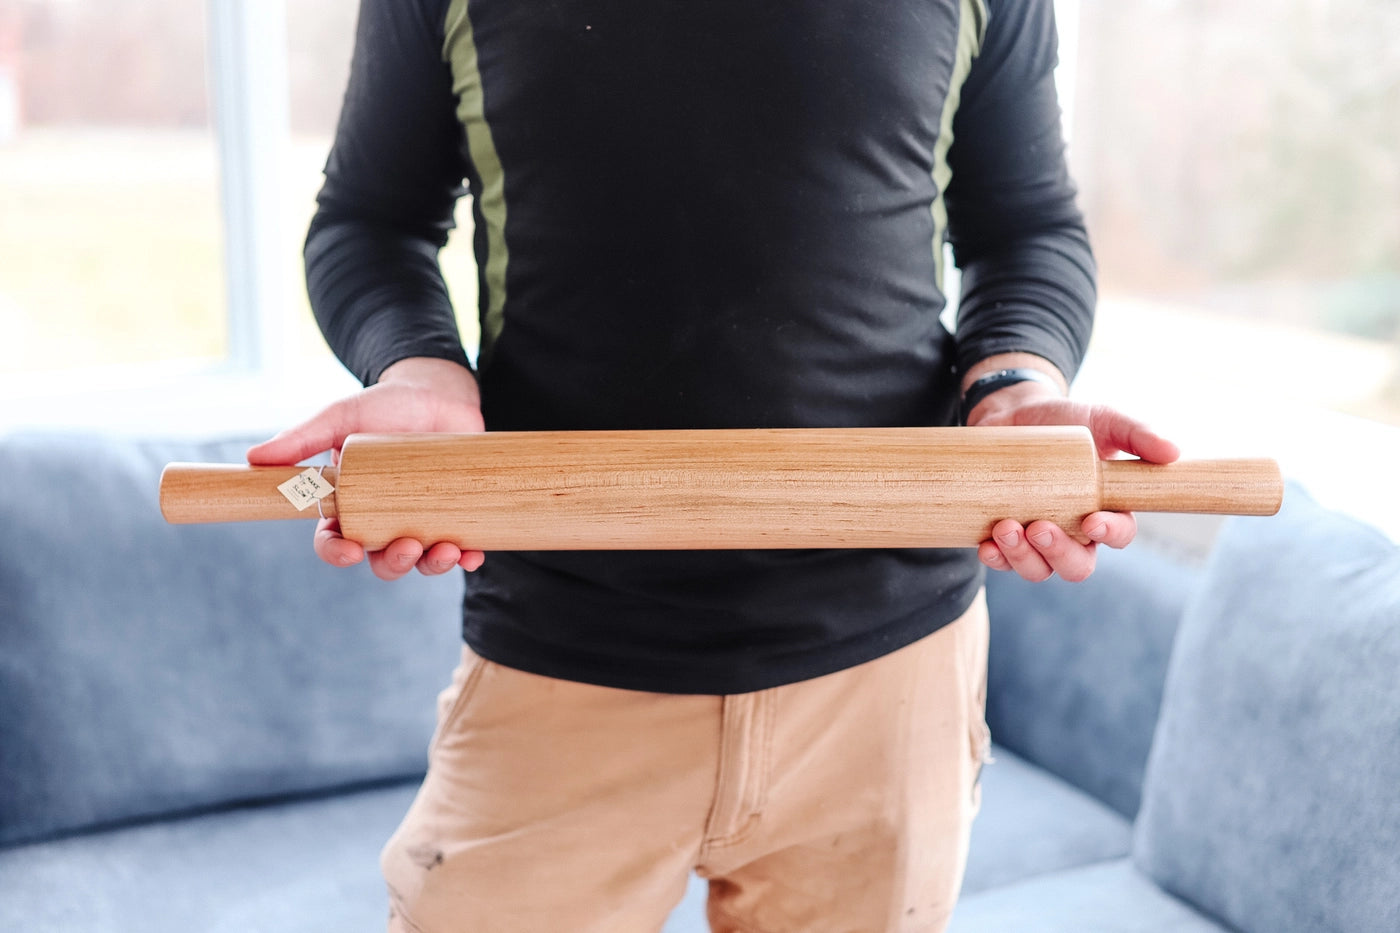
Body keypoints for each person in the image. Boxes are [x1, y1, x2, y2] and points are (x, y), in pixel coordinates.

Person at [249, 0, 1179, 929]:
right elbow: (368, 223)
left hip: (890, 684)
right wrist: (421, 367)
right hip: (562, 665)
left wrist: (1013, 385)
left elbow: (1025, 228)